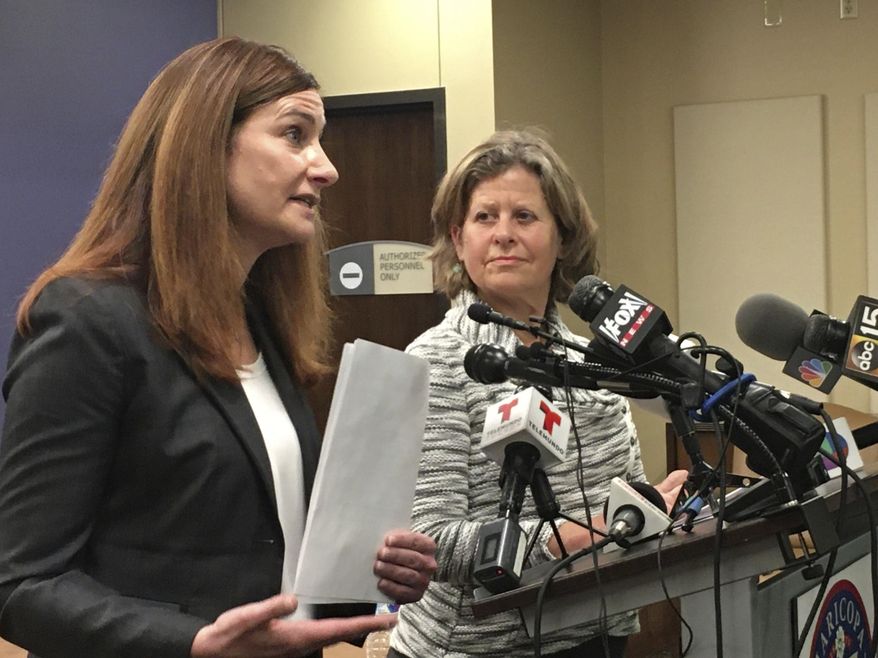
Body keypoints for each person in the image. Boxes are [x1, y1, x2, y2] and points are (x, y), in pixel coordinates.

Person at [0, 37, 437, 658]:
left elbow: (272, 564)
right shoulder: (87, 321)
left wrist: (368, 574)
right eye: (295, 134)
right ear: (206, 145)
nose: (326, 166)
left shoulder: (261, 323)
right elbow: (22, 584)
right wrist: (194, 644)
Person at [388, 130, 687, 658]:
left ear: (563, 239)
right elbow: (429, 541)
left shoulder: (593, 363)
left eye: (524, 217)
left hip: (595, 636)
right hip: (475, 649)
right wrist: (567, 538)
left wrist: (656, 515)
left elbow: (626, 504)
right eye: (485, 218)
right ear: (458, 240)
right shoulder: (433, 360)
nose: (503, 234)